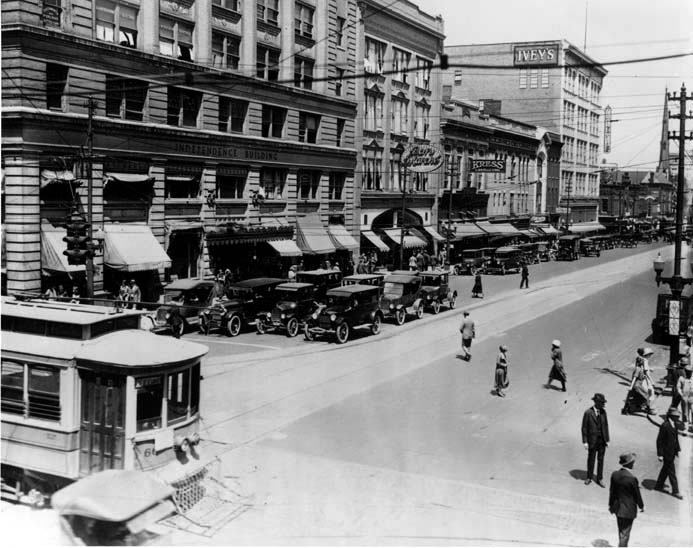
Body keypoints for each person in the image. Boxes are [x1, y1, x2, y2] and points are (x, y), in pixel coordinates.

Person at [608, 452, 644, 547]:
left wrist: (610, 504)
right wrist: (641, 506)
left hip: (617, 508)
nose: (634, 464)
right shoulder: (632, 479)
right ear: (629, 463)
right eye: (633, 462)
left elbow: (612, 491)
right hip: (628, 510)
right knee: (625, 535)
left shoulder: (615, 474)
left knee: (621, 532)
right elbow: (637, 495)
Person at [582, 393, 610, 487]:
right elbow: (584, 428)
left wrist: (607, 439)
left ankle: (599, 478)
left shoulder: (603, 412)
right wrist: (585, 441)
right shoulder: (588, 413)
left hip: (602, 441)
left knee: (601, 460)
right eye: (602, 403)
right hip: (592, 441)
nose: (603, 404)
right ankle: (589, 477)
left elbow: (605, 426)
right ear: (596, 402)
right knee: (591, 459)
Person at [654, 407, 683, 499]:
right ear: (672, 416)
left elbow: (675, 438)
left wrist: (677, 449)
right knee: (672, 472)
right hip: (667, 453)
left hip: (672, 452)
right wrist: (660, 454)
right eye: (677, 416)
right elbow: (659, 441)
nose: (678, 418)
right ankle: (676, 491)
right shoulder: (665, 425)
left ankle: (658, 485)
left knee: (665, 470)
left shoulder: (674, 424)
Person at [628, 347, 655, 414]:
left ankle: (640, 406)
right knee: (647, 395)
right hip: (638, 385)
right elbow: (635, 378)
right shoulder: (639, 369)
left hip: (639, 384)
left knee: (642, 396)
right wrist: (631, 387)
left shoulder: (640, 368)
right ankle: (648, 409)